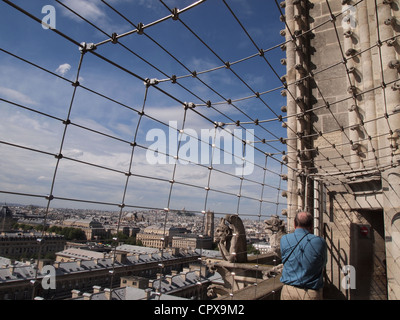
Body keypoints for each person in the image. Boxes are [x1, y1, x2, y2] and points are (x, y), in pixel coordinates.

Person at [279, 211, 327, 300]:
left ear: (294, 224)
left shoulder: (284, 239)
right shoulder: (319, 242)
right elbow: (323, 263)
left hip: (289, 291)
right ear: (312, 226)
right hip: (310, 292)